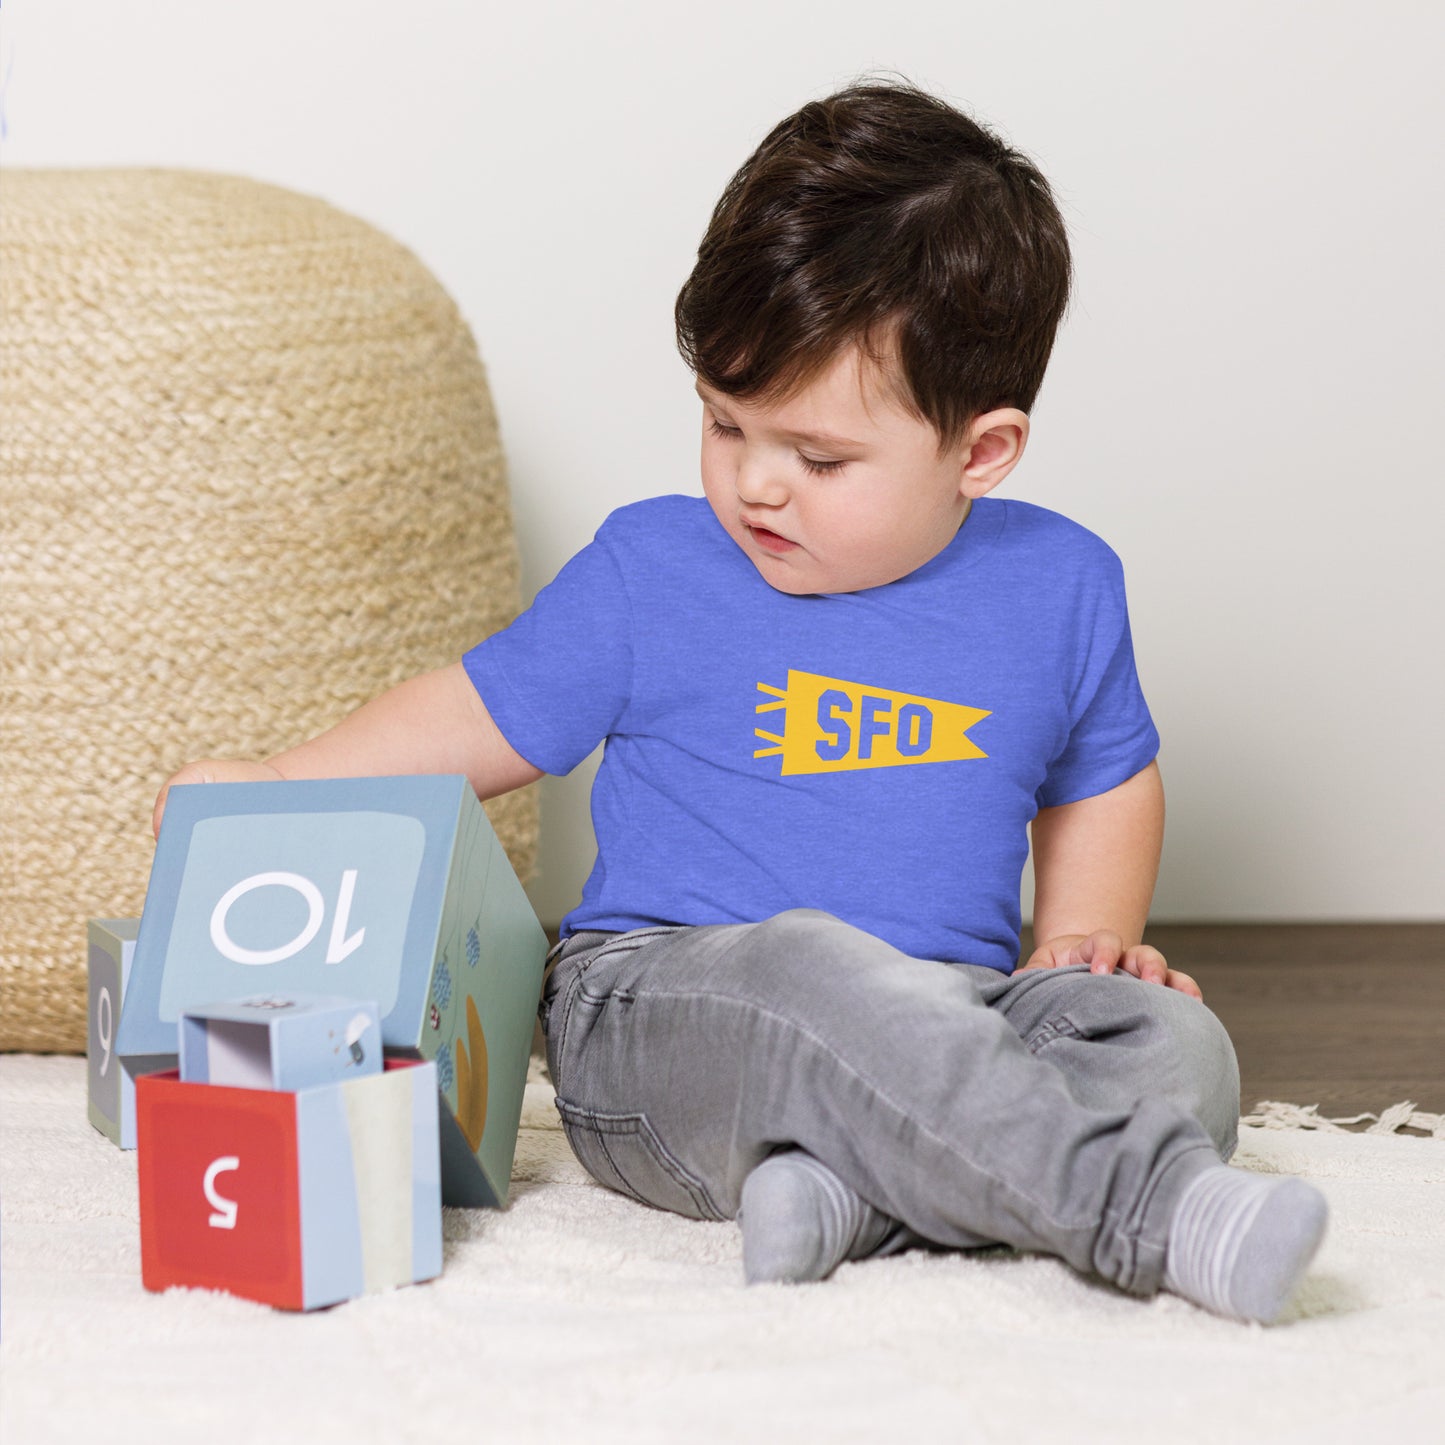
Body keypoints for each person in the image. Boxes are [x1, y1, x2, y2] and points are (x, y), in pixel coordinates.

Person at [155, 78, 1328, 1323]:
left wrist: (1075, 946)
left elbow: (1102, 772)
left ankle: (853, 1197)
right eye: (724, 423)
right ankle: (1133, 1207)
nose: (755, 484)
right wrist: (280, 786)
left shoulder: (1062, 585)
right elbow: (473, 715)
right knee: (809, 963)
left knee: (1172, 1044)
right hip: (666, 1009)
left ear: (978, 452)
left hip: (957, 1010)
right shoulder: (649, 569)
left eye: (817, 457)